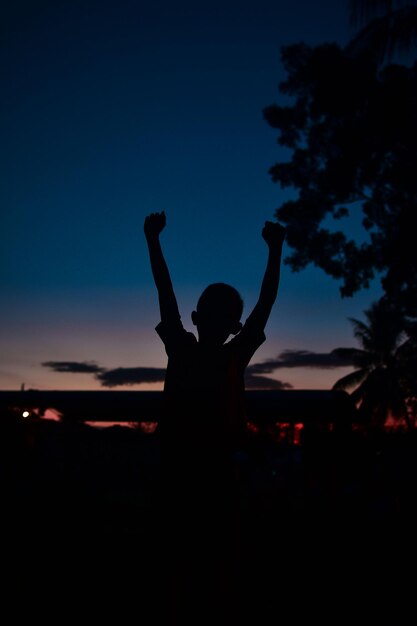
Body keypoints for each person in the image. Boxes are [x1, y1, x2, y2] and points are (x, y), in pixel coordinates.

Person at [144, 210, 285, 607]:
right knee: (195, 557)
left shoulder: (197, 350)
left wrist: (153, 240)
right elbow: (165, 291)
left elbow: (166, 292)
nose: (219, 322)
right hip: (190, 467)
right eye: (219, 315)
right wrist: (275, 250)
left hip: (202, 467)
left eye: (223, 316)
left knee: (203, 557)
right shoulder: (219, 352)